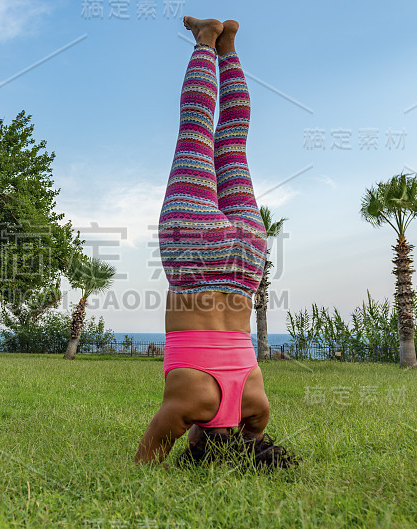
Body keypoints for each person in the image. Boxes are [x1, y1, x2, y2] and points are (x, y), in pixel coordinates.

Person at [135, 17, 296, 468]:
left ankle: (229, 47)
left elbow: (250, 433)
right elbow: (146, 462)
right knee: (195, 131)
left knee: (233, 145)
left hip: (247, 259)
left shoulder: (257, 407)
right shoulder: (190, 406)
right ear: (199, 447)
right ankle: (206, 38)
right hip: (195, 251)